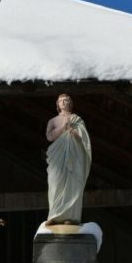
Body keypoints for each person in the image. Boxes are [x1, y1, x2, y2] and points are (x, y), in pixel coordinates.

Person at [45, 94, 92, 226]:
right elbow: (49, 137)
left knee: (72, 184)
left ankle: (70, 217)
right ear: (57, 104)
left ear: (70, 103)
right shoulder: (53, 121)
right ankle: (54, 215)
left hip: (74, 156)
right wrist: (63, 128)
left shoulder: (76, 119)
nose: (63, 102)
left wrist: (72, 131)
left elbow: (83, 138)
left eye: (66, 100)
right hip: (57, 157)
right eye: (60, 100)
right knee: (55, 183)